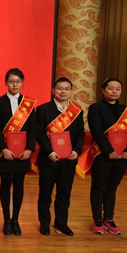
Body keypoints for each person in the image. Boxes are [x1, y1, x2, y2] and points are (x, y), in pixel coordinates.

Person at [84, 78, 127, 235]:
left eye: (118, 89)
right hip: (102, 155)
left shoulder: (126, 111)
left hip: (122, 156)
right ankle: (97, 219)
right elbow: (96, 131)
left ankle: (109, 219)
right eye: (111, 88)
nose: (114, 91)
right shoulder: (96, 108)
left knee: (112, 188)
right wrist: (109, 151)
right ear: (103, 90)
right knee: (98, 187)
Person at [35, 77, 85, 236]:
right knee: (45, 194)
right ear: (53, 90)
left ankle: (61, 222)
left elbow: (80, 133)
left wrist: (76, 150)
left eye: (67, 89)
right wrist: (49, 152)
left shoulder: (77, 111)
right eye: (60, 88)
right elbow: (39, 134)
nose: (63, 91)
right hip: (49, 159)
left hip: (68, 160)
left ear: (71, 91)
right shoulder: (43, 109)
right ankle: (44, 223)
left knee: (64, 194)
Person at [0, 68, 36, 236]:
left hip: (23, 153)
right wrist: (3, 149)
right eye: (11, 81)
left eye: (17, 81)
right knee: (5, 184)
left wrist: (29, 149)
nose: (14, 84)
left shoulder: (28, 103)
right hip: (6, 152)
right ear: (6, 83)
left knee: (19, 185)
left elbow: (33, 128)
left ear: (22, 83)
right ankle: (6, 220)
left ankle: (15, 219)